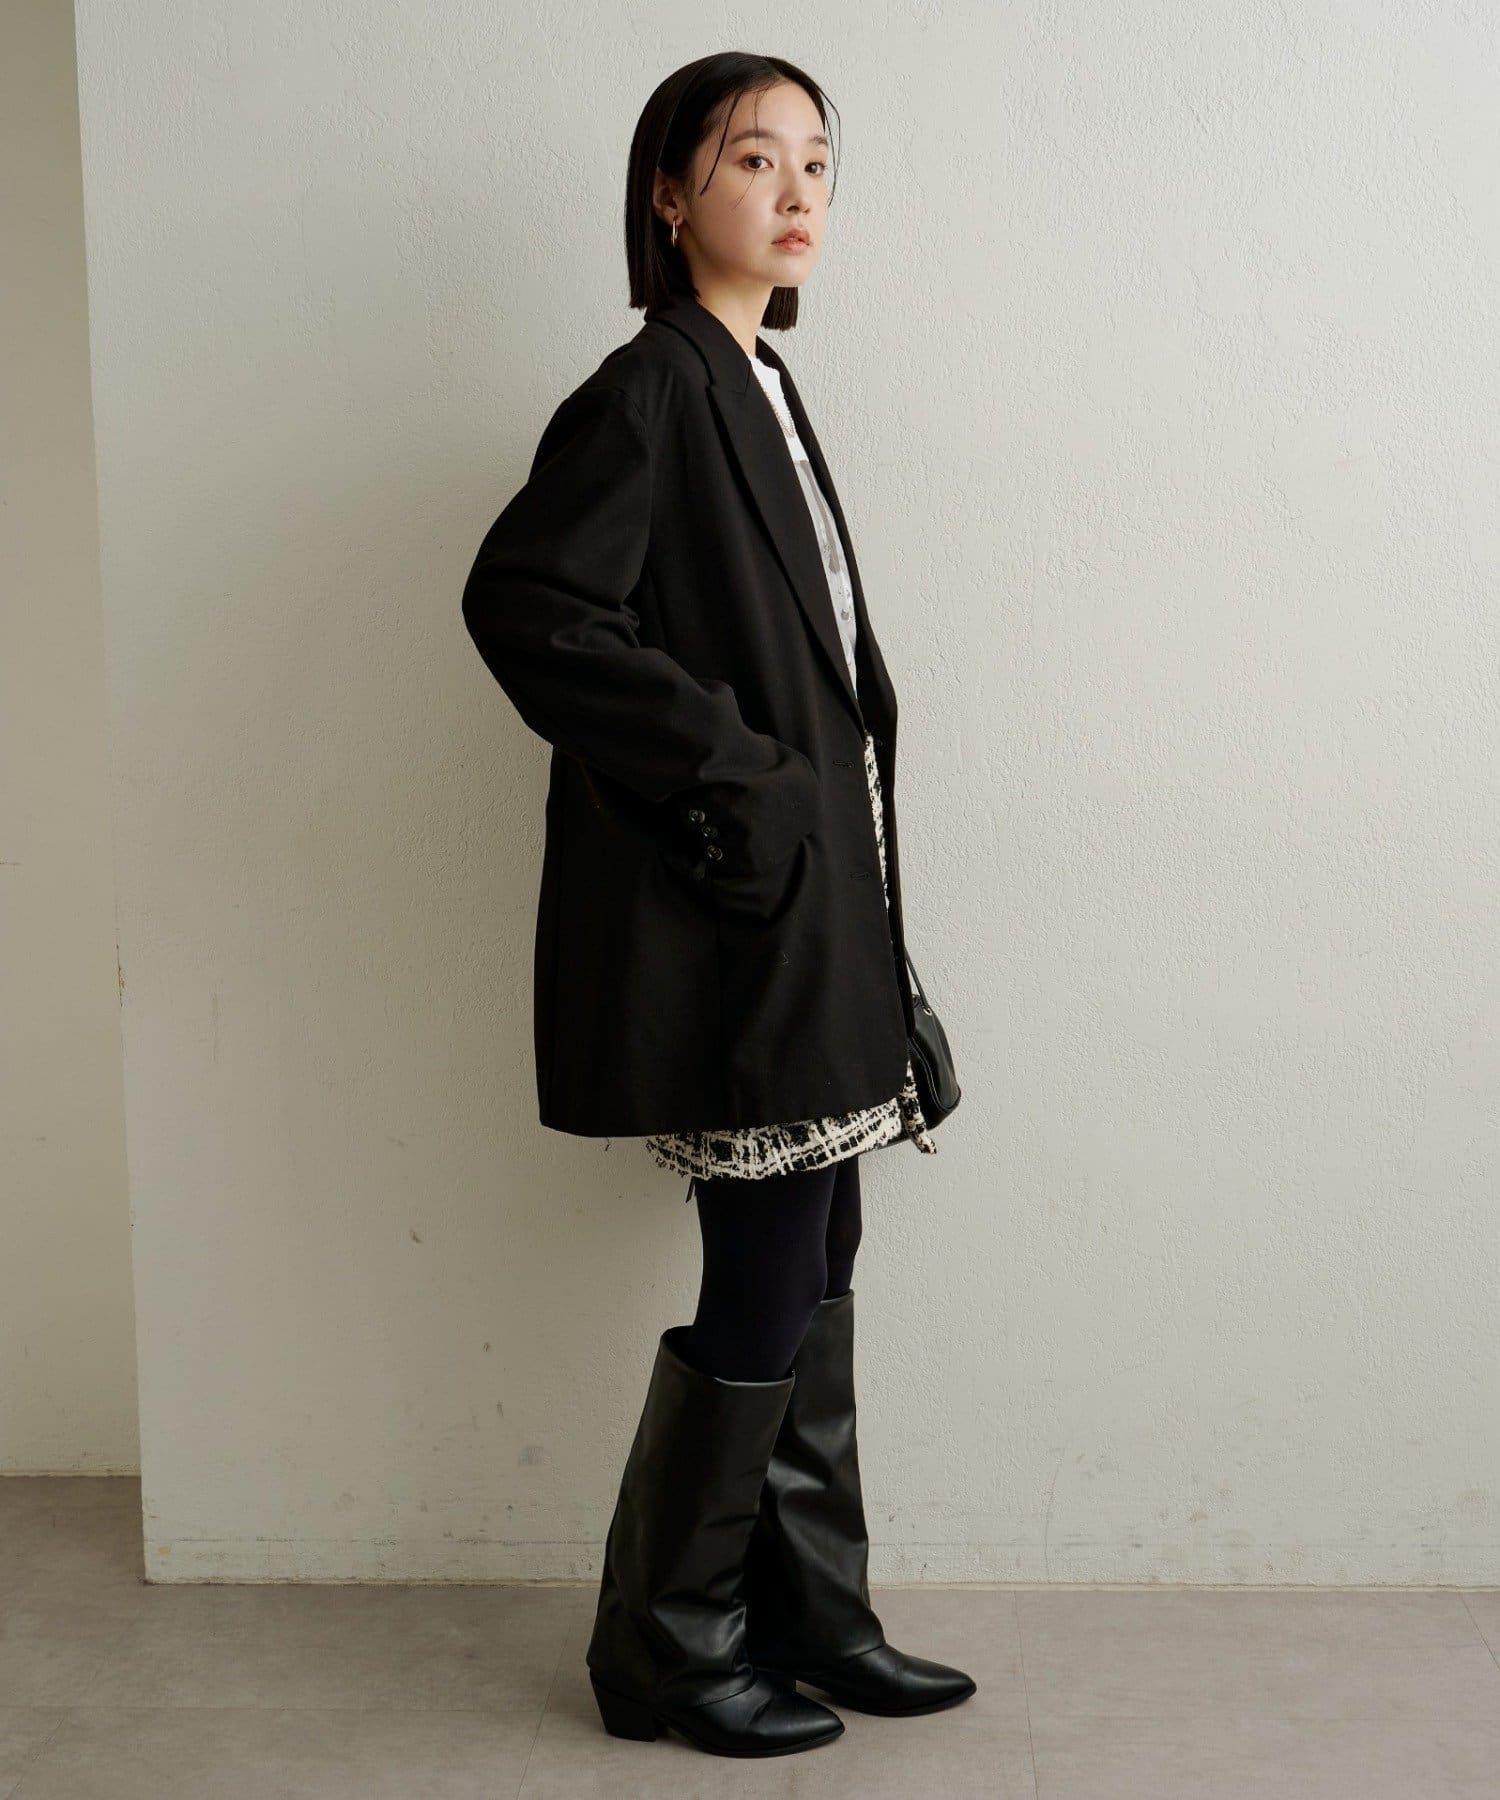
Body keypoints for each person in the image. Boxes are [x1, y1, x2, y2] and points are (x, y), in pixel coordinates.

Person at [460, 52, 975, 1758]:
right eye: (755, 158)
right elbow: (531, 603)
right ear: (671, 196)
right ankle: (666, 1651)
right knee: (764, 1258)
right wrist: (736, 773)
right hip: (739, 913)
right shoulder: (652, 388)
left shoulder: (759, 382)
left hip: (824, 911)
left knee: (823, 1246)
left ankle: (808, 1613)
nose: (798, 188)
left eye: (818, 158)